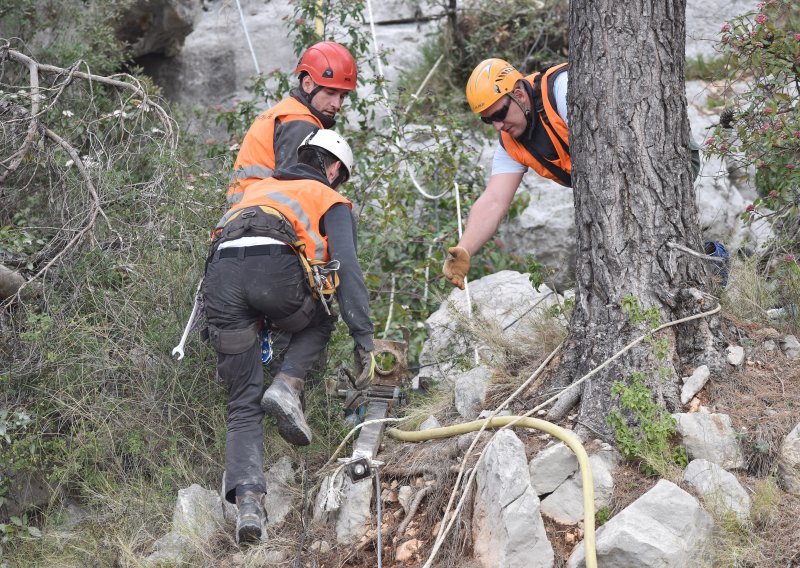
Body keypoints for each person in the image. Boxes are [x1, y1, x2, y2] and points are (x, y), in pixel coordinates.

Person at [203, 130, 375, 544]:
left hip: (221, 277)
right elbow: (346, 270)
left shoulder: (256, 188)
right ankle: (287, 384)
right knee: (320, 318)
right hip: (273, 269)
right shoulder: (328, 198)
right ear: (334, 168)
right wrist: (365, 339)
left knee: (243, 403)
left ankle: (248, 506)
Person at [442, 58, 701, 289]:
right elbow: (494, 201)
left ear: (520, 94)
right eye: (488, 120)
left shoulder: (563, 92)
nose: (498, 125)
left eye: (499, 114)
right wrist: (464, 250)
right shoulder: (511, 142)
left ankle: (705, 265)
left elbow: (617, 151)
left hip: (666, 157)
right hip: (622, 181)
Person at [226, 40, 357, 208]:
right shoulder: (300, 123)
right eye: (330, 93)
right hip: (261, 216)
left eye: (342, 96)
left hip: (244, 215)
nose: (336, 104)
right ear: (308, 84)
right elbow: (295, 196)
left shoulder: (284, 112)